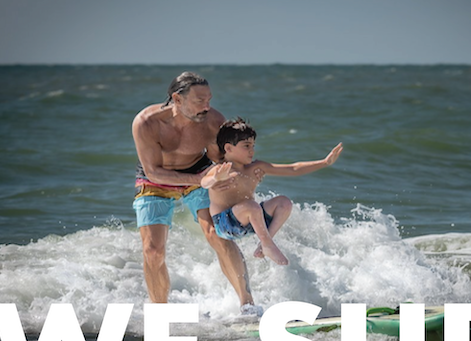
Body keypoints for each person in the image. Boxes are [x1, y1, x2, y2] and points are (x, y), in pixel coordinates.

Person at [132, 71, 259, 314]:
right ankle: (160, 313)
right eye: (200, 101)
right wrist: (199, 180)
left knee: (217, 232)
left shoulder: (212, 121)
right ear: (177, 99)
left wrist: (241, 176)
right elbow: (153, 172)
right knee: (153, 250)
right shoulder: (146, 122)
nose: (207, 106)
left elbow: (223, 159)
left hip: (199, 171)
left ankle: (248, 306)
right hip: (156, 179)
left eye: (209, 99)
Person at [201, 117, 343, 265]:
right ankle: (268, 244)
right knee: (251, 205)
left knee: (284, 202)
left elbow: (293, 169)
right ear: (229, 148)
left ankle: (265, 243)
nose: (252, 151)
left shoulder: (256, 168)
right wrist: (215, 178)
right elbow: (204, 182)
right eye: (246, 146)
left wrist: (324, 162)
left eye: (253, 146)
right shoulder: (221, 169)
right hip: (226, 224)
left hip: (251, 221)